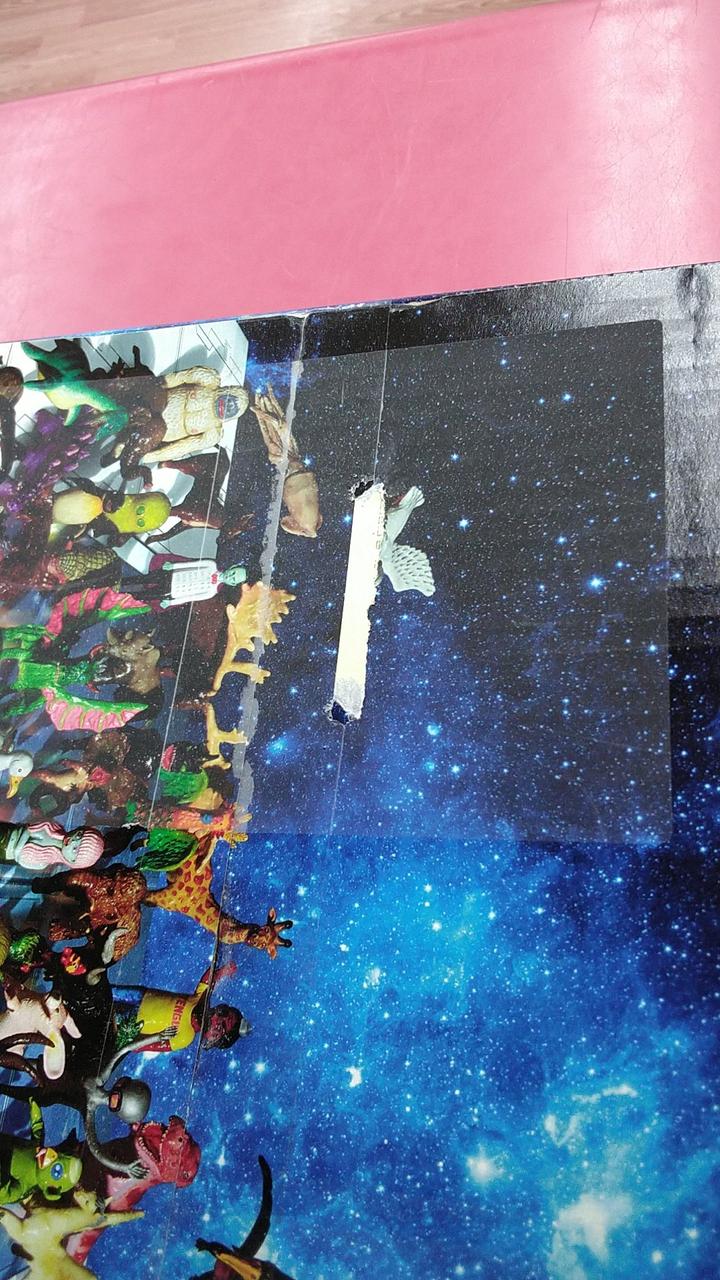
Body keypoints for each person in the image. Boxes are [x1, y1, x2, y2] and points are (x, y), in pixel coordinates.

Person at [113, 961, 250, 1054]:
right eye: (223, 1012)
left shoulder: (185, 1038)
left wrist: (129, 1042)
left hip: (132, 1022)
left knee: (106, 1015)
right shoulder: (199, 1000)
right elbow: (208, 980)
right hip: (140, 996)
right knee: (108, 992)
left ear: (214, 1039)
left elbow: (152, 1045)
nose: (218, 1019)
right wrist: (223, 971)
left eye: (222, 1026)